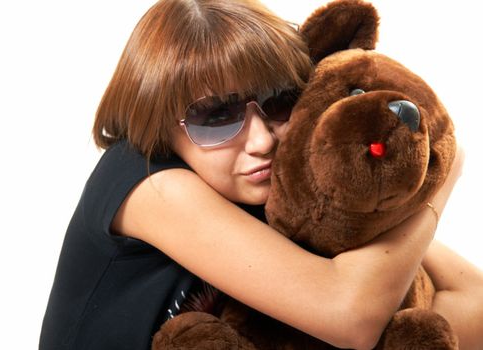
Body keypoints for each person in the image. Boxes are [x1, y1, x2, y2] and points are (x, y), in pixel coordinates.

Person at [39, 0, 483, 349]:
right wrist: (441, 177)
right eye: (215, 115)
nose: (261, 141)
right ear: (157, 122)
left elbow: (474, 303)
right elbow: (350, 316)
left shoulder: (282, 187)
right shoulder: (151, 183)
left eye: (279, 100)